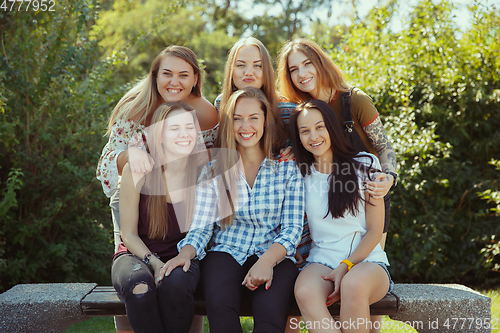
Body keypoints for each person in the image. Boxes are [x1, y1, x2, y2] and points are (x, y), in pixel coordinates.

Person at [163, 87, 305, 333]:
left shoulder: (287, 170)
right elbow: (202, 227)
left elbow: (293, 229)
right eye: (237, 119)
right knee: (221, 315)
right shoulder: (213, 170)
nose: (245, 126)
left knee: (270, 320)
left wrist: (266, 262)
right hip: (226, 252)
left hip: (274, 254)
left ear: (265, 121)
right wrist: (185, 253)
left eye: (253, 118)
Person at [96, 45, 217, 333]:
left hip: (185, 196)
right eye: (167, 74)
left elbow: (209, 156)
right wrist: (131, 157)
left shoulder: (206, 114)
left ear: (195, 79)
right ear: (155, 76)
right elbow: (106, 170)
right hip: (135, 194)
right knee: (135, 274)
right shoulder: (134, 107)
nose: (175, 82)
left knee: (179, 283)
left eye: (183, 75)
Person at [278, 38, 397, 248]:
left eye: (307, 64)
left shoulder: (356, 100)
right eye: (294, 69)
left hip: (369, 195)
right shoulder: (302, 111)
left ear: (320, 63)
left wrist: (389, 178)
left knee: (368, 263)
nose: (302, 74)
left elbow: (384, 146)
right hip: (328, 198)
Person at [289, 100, 393, 333]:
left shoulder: (365, 164)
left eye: (320, 127)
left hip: (367, 261)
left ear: (332, 128)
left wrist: (346, 266)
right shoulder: (299, 175)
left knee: (353, 285)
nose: (313, 136)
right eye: (304, 131)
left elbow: (375, 230)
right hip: (322, 259)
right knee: (305, 292)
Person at [112, 102, 203, 333]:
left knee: (175, 287)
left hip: (181, 256)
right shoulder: (137, 170)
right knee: (139, 288)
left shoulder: (203, 173)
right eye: (174, 128)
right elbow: (128, 234)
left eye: (189, 127)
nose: (183, 134)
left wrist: (175, 261)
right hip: (136, 255)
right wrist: (153, 262)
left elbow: (202, 231)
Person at [214, 37, 291, 154]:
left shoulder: (286, 109)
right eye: (240, 65)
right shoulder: (221, 104)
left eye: (257, 65)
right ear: (231, 70)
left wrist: (293, 150)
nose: (249, 72)